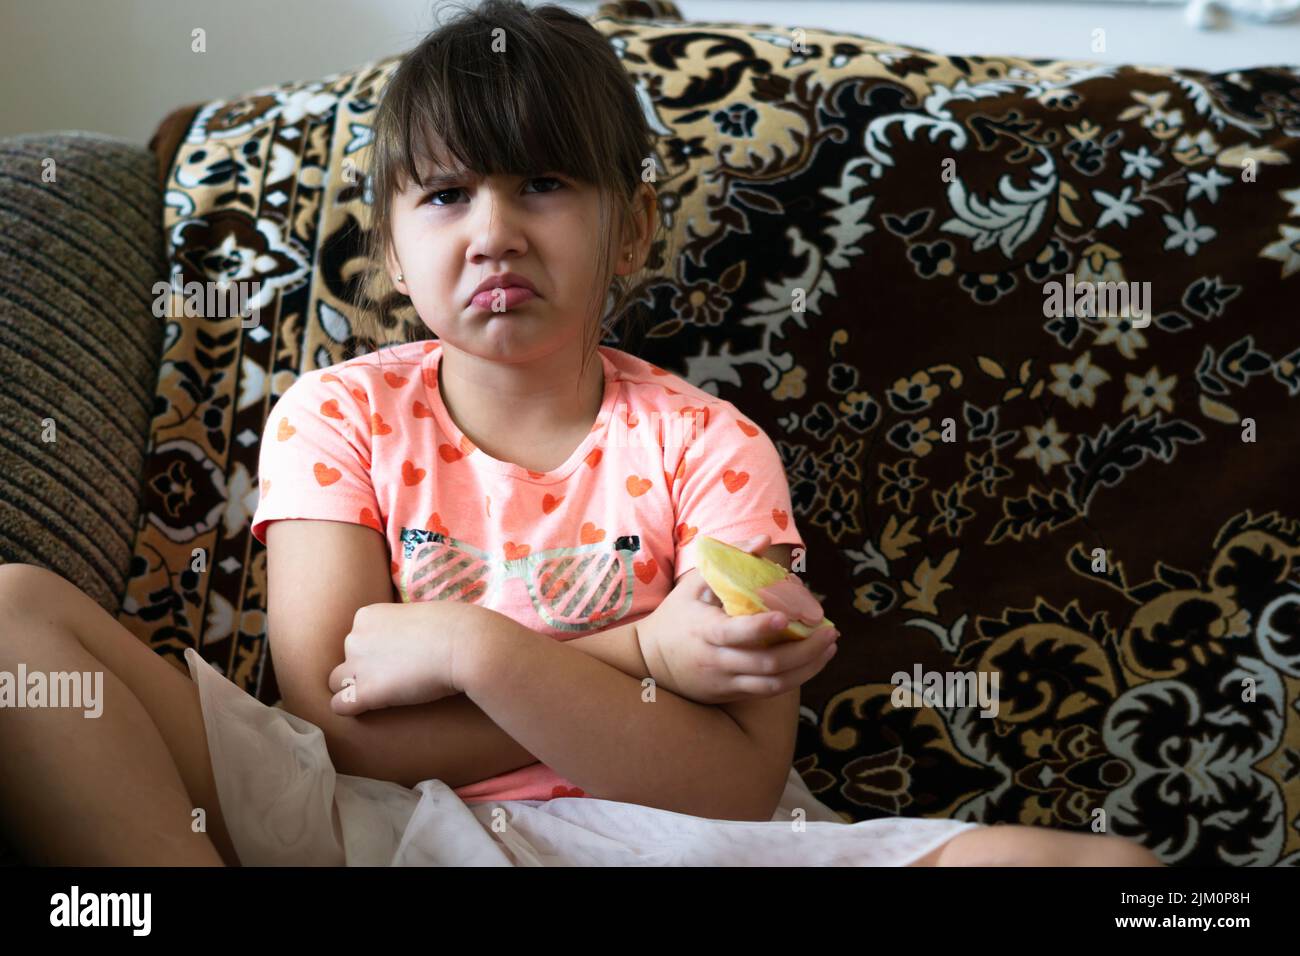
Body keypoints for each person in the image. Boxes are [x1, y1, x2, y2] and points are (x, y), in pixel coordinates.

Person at [0, 0, 1161, 867]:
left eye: (542, 184)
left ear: (633, 228)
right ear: (395, 256)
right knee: (11, 614)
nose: (494, 232)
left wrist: (474, 649)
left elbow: (733, 785)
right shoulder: (338, 413)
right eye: (447, 195)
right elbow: (335, 727)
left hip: (657, 837)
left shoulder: (710, 449)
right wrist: (640, 654)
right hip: (359, 825)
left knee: (1123, 876)